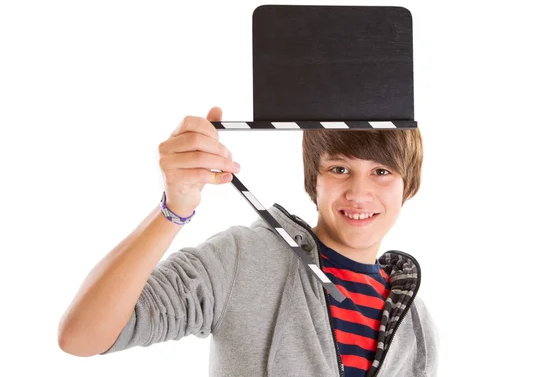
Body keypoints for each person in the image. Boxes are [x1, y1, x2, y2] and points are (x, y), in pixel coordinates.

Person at [57, 106, 439, 376]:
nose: (359, 192)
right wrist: (175, 208)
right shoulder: (246, 259)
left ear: (409, 185)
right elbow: (82, 336)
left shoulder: (415, 322)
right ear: (314, 179)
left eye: (381, 172)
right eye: (339, 169)